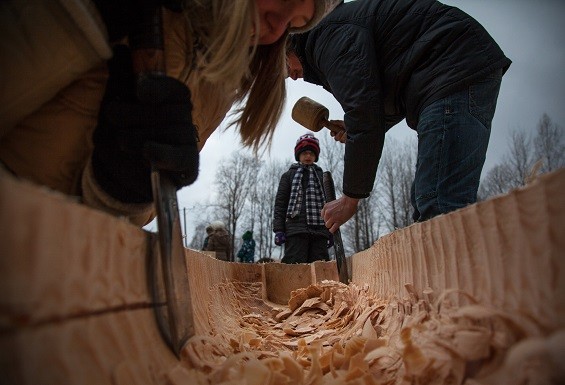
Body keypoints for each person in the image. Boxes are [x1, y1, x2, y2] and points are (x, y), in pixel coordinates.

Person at [0, 0, 342, 226]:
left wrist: (122, 193)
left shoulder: (222, 85)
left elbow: (138, 211)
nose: (276, 26)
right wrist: (78, 24)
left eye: (296, 22)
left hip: (58, 259)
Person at [286, 0, 512, 229]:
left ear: (288, 44)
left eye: (284, 66)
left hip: (453, 64)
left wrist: (350, 198)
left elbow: (363, 112)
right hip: (453, 69)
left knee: (440, 203)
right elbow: (376, 103)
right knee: (428, 199)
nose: (291, 76)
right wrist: (357, 126)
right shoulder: (328, 38)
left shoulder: (329, 38)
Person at [273, 134, 332, 264]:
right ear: (298, 155)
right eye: (304, 153)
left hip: (320, 230)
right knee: (294, 265)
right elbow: (280, 204)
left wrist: (332, 232)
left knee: (320, 265)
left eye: (311, 153)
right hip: (295, 229)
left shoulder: (323, 176)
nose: (308, 156)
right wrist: (279, 230)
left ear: (315, 156)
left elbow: (330, 205)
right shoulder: (288, 176)